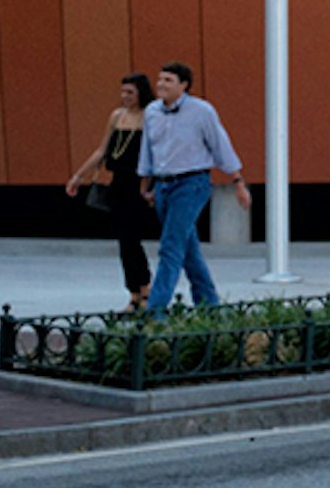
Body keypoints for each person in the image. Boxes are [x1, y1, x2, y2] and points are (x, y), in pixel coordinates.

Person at [138, 59, 245, 313]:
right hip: (163, 185)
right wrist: (146, 186)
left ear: (183, 86)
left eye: (168, 81)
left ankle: (155, 310)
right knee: (187, 248)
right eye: (160, 79)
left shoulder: (202, 111)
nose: (161, 85)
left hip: (191, 183)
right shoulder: (152, 111)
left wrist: (238, 181)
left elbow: (221, 146)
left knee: (171, 245)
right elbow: (148, 151)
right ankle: (209, 304)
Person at [62, 72, 154, 301]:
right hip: (118, 182)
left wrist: (149, 187)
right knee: (124, 239)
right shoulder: (117, 116)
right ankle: (134, 291)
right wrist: (78, 176)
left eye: (130, 92)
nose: (125, 97)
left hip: (138, 183)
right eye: (123, 92)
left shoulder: (151, 117)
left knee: (131, 236)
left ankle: (144, 287)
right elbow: (102, 150)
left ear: (141, 93)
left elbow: (154, 155)